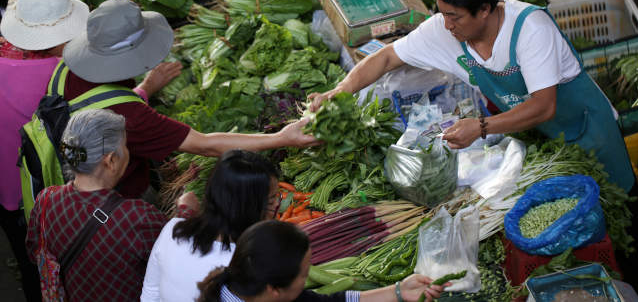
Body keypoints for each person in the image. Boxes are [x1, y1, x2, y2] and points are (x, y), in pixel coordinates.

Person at [309, 0, 634, 192]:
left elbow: (544, 105)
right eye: (442, 12)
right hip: (538, 129)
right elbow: (386, 57)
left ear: (485, 10)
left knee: (617, 193)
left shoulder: (530, 29)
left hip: (586, 124)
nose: (446, 25)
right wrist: (339, 92)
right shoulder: (444, 29)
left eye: (454, 16)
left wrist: (479, 128)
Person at [60, 0, 317, 200]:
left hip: (75, 179)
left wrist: (145, 89)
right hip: (118, 197)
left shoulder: (68, 70)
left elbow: (104, 102)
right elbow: (205, 145)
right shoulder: (133, 117)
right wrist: (281, 138)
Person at [0, 0, 91, 302]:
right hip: (49, 191)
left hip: (6, 191)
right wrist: (144, 92)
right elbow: (99, 118)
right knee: (65, 257)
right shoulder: (65, 74)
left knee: (27, 255)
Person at [25, 109, 167, 302]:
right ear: (111, 160)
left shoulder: (46, 200)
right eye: (124, 146)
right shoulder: (138, 217)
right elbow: (175, 261)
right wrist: (186, 211)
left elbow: (35, 252)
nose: (127, 152)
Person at [141, 150, 282, 302]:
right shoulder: (252, 264)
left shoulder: (174, 229)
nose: (277, 205)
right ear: (248, 208)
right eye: (271, 199)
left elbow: (149, 295)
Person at [197, 220, 447, 302]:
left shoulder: (248, 286)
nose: (309, 277)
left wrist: (399, 291)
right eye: (305, 274)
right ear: (275, 289)